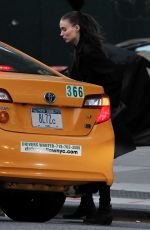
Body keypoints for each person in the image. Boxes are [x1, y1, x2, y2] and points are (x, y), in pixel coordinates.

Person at [59, 11, 150, 225]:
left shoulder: (90, 52)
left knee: (98, 160)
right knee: (86, 159)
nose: (61, 33)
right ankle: (87, 205)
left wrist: (104, 104)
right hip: (91, 114)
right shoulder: (81, 50)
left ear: (77, 28)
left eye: (64, 28)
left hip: (99, 115)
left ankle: (105, 209)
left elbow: (112, 77)